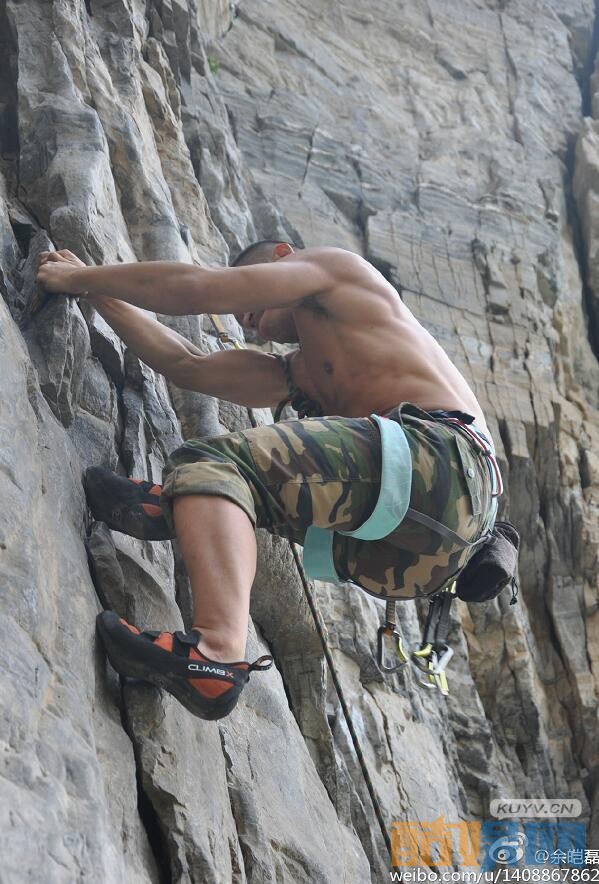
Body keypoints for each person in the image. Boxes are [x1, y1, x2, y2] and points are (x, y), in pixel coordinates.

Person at [36, 242, 500, 720]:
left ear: (283, 256)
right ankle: (174, 503)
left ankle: (216, 654)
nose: (242, 317)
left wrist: (82, 275)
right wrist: (96, 293)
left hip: (444, 459)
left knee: (216, 464)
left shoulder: (336, 269)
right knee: (240, 487)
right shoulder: (303, 373)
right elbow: (188, 365)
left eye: (248, 280)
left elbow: (199, 288)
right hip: (425, 559)